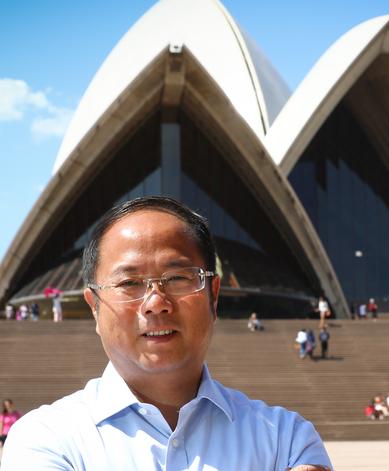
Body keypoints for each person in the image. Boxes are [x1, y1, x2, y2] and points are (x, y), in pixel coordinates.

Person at [0, 196, 332, 471]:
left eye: (178, 278)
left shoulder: (287, 440)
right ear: (94, 307)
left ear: (213, 296)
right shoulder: (46, 441)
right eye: (129, 283)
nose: (156, 303)